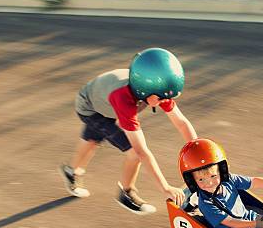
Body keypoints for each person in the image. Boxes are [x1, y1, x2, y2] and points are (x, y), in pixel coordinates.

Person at [59, 48, 196, 214]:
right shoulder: (124, 98)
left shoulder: (155, 90)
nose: (166, 101)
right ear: (144, 89)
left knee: (92, 140)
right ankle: (127, 193)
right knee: (134, 153)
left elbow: (181, 123)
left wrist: (197, 151)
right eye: (162, 98)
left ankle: (71, 172)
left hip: (102, 101)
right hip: (90, 108)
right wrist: (165, 188)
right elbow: (142, 151)